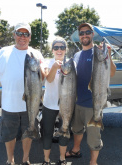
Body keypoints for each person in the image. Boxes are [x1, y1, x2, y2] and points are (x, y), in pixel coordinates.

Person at [0, 22, 46, 165]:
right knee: (9, 135)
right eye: (19, 33)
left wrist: (43, 68)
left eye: (26, 34)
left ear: (30, 37)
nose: (22, 37)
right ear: (14, 35)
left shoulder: (36, 54)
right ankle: (10, 159)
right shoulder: (2, 53)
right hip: (9, 105)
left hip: (29, 105)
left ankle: (26, 159)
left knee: (28, 133)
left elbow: (43, 75)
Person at [65, 23, 116, 165]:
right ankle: (76, 150)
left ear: (92, 34)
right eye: (81, 33)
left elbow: (112, 72)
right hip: (76, 102)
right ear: (79, 36)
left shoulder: (99, 52)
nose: (84, 35)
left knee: (93, 136)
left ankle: (93, 162)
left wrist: (109, 56)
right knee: (76, 129)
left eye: (87, 32)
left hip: (93, 104)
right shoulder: (76, 54)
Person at [41, 37, 69, 165]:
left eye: (62, 47)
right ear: (52, 50)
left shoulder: (70, 63)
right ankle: (46, 160)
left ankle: (62, 159)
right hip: (49, 105)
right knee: (47, 132)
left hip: (66, 106)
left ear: (65, 49)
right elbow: (49, 79)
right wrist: (54, 67)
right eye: (56, 47)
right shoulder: (47, 62)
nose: (59, 50)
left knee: (64, 132)